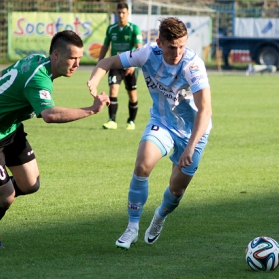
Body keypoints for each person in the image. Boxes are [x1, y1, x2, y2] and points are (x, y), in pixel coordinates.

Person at [87, 17, 212, 250]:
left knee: (176, 189)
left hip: (193, 131)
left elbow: (205, 109)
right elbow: (106, 62)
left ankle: (160, 216)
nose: (178, 52)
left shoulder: (192, 65)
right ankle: (132, 227)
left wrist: (191, 146)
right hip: (162, 123)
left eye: (182, 46)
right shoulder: (147, 54)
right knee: (143, 164)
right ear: (160, 43)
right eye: (172, 46)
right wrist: (94, 82)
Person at [0, 30, 110, 231]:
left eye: (79, 58)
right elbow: (50, 115)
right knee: (6, 196)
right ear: (56, 54)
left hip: (10, 129)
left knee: (30, 183)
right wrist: (92, 110)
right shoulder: (38, 79)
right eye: (72, 58)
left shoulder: (37, 61)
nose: (77, 65)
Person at [99, 2, 143, 130]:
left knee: (132, 95)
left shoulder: (134, 29)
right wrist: (100, 63)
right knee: (113, 90)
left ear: (128, 14)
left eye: (124, 12)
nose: (121, 15)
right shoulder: (111, 29)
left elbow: (139, 48)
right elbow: (105, 46)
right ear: (116, 13)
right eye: (119, 13)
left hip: (130, 66)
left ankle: (131, 121)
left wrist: (133, 65)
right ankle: (112, 120)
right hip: (115, 65)